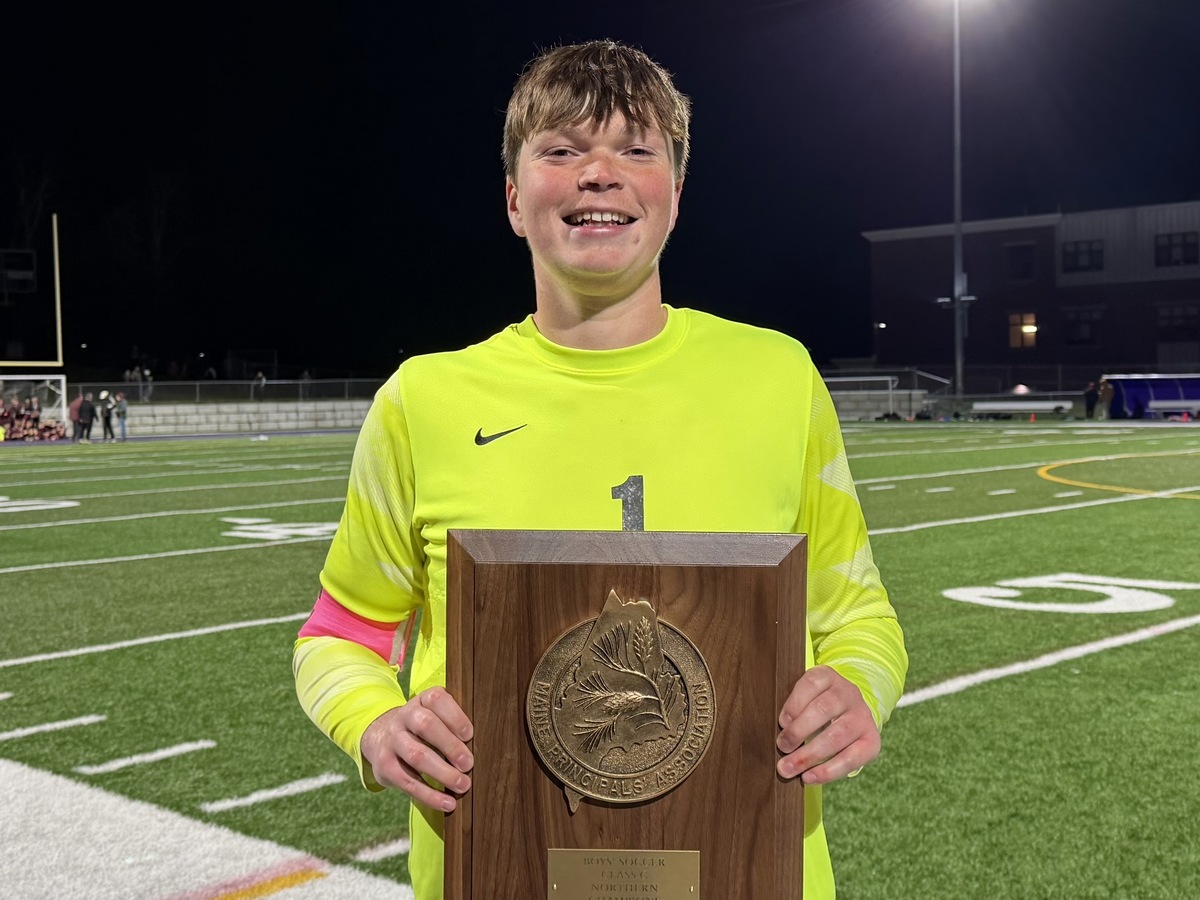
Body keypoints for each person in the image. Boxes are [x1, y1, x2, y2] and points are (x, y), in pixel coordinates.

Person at [293, 40, 907, 900]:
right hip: (492, 872)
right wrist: (374, 726)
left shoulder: (778, 379)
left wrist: (856, 692)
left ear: (675, 196)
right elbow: (340, 635)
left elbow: (859, 616)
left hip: (752, 871)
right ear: (514, 198)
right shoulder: (422, 400)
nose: (600, 174)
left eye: (635, 149)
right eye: (562, 149)